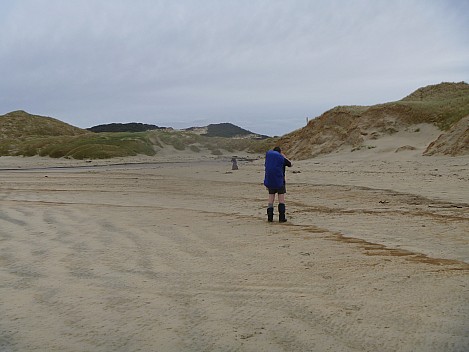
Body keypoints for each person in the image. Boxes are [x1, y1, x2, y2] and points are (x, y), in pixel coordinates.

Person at [263, 146, 292, 222]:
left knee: (270, 200)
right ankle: (281, 218)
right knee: (281, 200)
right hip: (280, 181)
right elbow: (290, 164)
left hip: (271, 181)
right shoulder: (281, 158)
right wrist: (284, 156)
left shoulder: (270, 159)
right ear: (280, 152)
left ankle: (270, 218)